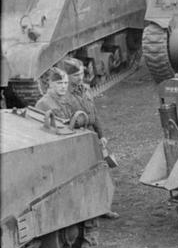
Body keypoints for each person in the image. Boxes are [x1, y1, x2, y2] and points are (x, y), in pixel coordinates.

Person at [34, 63, 120, 219]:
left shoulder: (78, 93)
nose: (63, 87)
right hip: (66, 147)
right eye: (59, 83)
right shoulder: (45, 103)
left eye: (65, 83)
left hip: (84, 138)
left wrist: (100, 135)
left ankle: (101, 206)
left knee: (98, 172)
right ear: (50, 84)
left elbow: (92, 113)